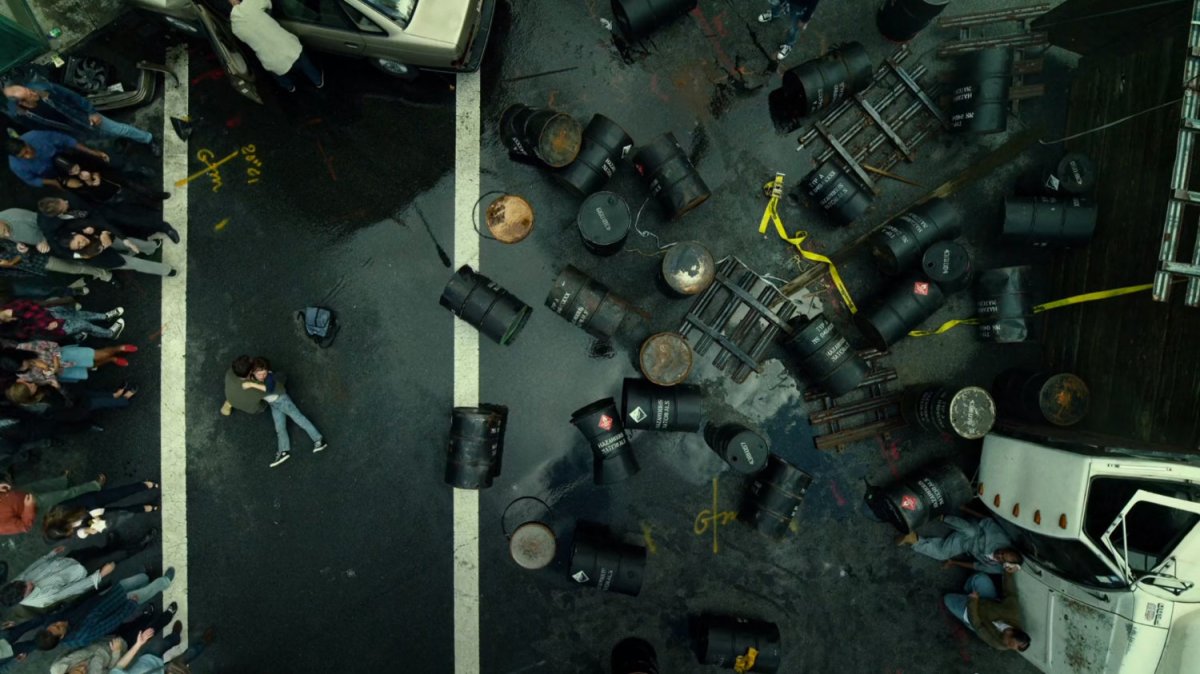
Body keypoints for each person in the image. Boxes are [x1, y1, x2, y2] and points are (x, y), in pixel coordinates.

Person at [0, 538, 150, 622]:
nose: (29, 582)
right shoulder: (45, 598)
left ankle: (112, 544)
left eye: (24, 582)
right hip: (81, 571)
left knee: (95, 550)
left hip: (68, 560)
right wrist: (100, 575)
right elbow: (74, 589)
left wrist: (50, 555)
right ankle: (140, 545)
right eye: (28, 587)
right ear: (23, 597)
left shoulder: (18, 581)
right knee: (113, 558)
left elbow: (31, 568)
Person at [3, 82, 160, 156]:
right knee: (103, 140)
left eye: (29, 89)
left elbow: (73, 97)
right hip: (74, 131)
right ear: (22, 103)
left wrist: (92, 112)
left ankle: (149, 139)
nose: (33, 92)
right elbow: (43, 129)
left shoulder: (46, 89)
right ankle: (120, 142)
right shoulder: (24, 115)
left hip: (85, 118)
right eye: (29, 94)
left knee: (119, 128)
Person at [34, 568, 175, 651]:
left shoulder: (52, 625)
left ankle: (146, 577)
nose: (59, 622)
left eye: (54, 624)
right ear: (62, 637)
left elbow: (77, 603)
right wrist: (130, 605)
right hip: (121, 604)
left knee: (136, 580)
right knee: (146, 592)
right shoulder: (82, 636)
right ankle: (165, 582)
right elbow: (112, 622)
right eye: (59, 627)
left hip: (106, 596)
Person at [242, 356, 327, 467]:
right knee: (280, 427)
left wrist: (250, 384)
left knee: (299, 419)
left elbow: (269, 388)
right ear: (253, 372)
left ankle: (319, 440)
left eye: (264, 373)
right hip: (274, 404)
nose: (263, 376)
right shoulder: (251, 377)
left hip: (282, 401)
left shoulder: (269, 377)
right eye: (260, 374)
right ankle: (283, 451)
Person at [229, 0, 325, 93]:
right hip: (287, 47)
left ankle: (289, 87)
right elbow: (267, 3)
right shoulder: (249, 4)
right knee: (304, 61)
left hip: (269, 59)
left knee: (276, 73)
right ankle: (318, 81)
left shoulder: (235, 28)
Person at [0, 208, 111, 281]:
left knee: (86, 250)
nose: (8, 234)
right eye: (4, 236)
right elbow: (16, 237)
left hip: (60, 239)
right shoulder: (4, 233)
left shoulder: (16, 217)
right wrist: (19, 243)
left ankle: (109, 262)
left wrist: (43, 239)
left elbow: (45, 222)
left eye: (5, 230)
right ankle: (102, 271)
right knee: (72, 265)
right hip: (44, 251)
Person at [943, 566, 1031, 652]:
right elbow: (1010, 593)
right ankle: (967, 590)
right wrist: (1008, 571)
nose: (1007, 646)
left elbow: (977, 625)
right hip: (988, 601)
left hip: (974, 615)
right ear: (1011, 632)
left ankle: (967, 599)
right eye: (1010, 643)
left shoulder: (998, 644)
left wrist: (972, 601)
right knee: (980, 578)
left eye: (1011, 647)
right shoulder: (1013, 613)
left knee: (947, 599)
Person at [897, 515, 1022, 574]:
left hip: (965, 545)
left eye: (1002, 558)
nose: (1000, 554)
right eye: (1003, 552)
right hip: (971, 530)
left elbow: (975, 566)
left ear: (1003, 564)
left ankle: (913, 539)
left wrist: (953, 562)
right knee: (971, 531)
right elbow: (984, 520)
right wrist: (964, 510)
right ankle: (942, 516)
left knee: (942, 554)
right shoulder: (1001, 538)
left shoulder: (997, 568)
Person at [42, 480, 159, 541]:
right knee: (120, 512)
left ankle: (144, 485)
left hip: (94, 503)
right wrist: (87, 531)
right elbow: (79, 531)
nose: (70, 531)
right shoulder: (63, 527)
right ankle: (143, 508)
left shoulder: (63, 509)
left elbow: (88, 500)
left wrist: (96, 516)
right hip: (92, 516)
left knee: (119, 493)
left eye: (68, 530)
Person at [37, 196, 180, 246]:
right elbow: (54, 233)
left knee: (131, 220)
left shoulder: (71, 198)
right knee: (128, 230)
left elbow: (95, 214)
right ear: (59, 213)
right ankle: (149, 233)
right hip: (93, 225)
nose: (66, 201)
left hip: (102, 213)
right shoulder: (50, 222)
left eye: (63, 201)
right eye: (64, 205)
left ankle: (164, 227)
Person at [0, 473, 103, 536]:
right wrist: (28, 507)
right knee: (65, 495)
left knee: (44, 485)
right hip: (35, 504)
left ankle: (62, 481)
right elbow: (24, 526)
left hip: (20, 493)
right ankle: (94, 486)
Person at [5, 130, 109, 189]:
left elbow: (67, 141)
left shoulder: (36, 136)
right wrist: (59, 184)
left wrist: (92, 152)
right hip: (55, 175)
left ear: (26, 143)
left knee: (62, 159)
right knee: (79, 188)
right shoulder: (15, 166)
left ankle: (97, 171)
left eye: (26, 151)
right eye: (23, 156)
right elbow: (32, 180)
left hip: (67, 158)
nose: (28, 156)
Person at [57, 227, 175, 278]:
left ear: (74, 233)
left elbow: (103, 224)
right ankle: (167, 270)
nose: (82, 243)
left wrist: (104, 233)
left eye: (79, 240)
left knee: (128, 242)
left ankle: (151, 247)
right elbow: (91, 256)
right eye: (79, 246)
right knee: (135, 263)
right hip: (103, 257)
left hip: (103, 239)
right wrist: (101, 247)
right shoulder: (78, 254)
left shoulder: (80, 227)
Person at [757, 0, 822, 61]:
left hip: (800, 6)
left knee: (793, 27)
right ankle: (773, 14)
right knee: (779, 5)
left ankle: (789, 45)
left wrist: (805, 19)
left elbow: (813, 4)